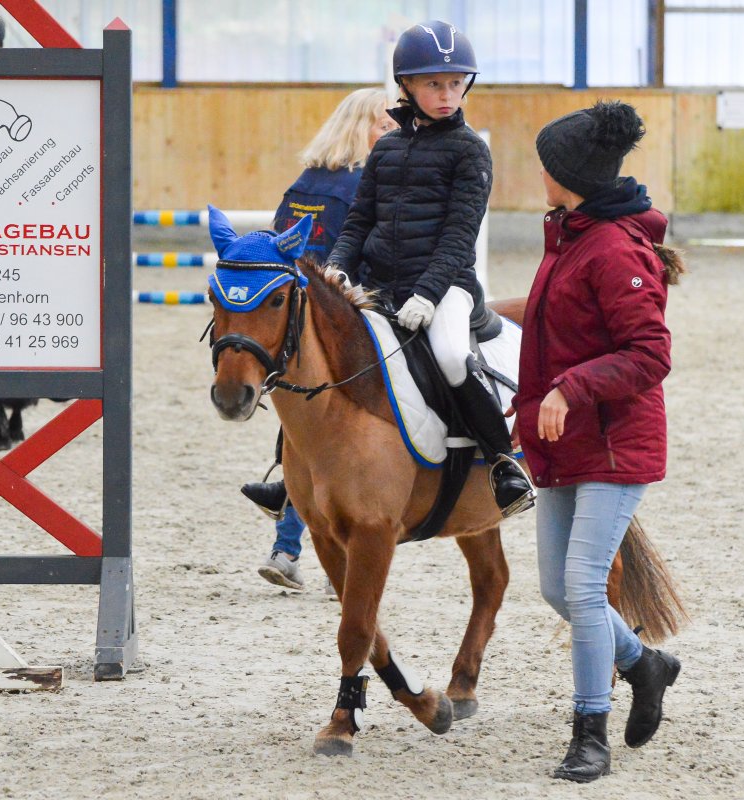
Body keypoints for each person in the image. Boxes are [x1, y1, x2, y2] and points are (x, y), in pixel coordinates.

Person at [242, 19, 536, 523]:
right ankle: (289, 478)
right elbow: (359, 221)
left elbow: (459, 235)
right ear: (407, 85)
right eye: (434, 84)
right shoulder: (387, 147)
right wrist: (337, 271)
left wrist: (428, 293)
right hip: (380, 284)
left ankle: (503, 465)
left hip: (446, 288)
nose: (447, 95)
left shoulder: (470, 150)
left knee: (450, 356)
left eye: (455, 83)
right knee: (317, 352)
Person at [512, 101, 682, 782]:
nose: (540, 175)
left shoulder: (612, 248)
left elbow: (650, 352)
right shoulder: (571, 236)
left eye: (547, 166)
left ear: (571, 177)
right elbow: (556, 318)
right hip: (568, 442)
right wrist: (481, 312)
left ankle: (590, 733)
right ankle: (645, 665)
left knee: (583, 586)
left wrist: (568, 389)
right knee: (558, 589)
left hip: (613, 443)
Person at [243, 88, 396, 592]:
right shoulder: (362, 186)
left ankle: (285, 544)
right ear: (360, 128)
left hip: (294, 317)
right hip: (343, 316)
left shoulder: (303, 184)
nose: (392, 133)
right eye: (385, 125)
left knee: (307, 429)